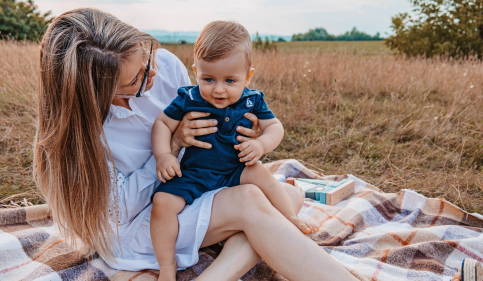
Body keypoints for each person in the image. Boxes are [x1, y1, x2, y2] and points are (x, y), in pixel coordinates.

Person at [33, 7, 358, 281]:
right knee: (250, 201)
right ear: (96, 95)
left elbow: (205, 118)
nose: (152, 75)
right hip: (136, 227)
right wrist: (170, 148)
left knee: (287, 195)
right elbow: (119, 213)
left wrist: (236, 127)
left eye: (146, 58)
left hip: (191, 190)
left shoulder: (165, 65)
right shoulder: (85, 134)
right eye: (135, 82)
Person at [150, 21, 319, 280]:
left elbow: (275, 127)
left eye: (230, 80)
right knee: (161, 203)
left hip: (236, 167)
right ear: (196, 72)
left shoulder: (252, 99)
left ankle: (289, 218)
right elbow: (162, 123)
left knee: (265, 178)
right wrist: (164, 155)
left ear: (247, 76)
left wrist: (261, 144)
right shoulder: (188, 98)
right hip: (196, 172)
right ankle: (167, 267)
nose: (218, 89)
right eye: (208, 79)